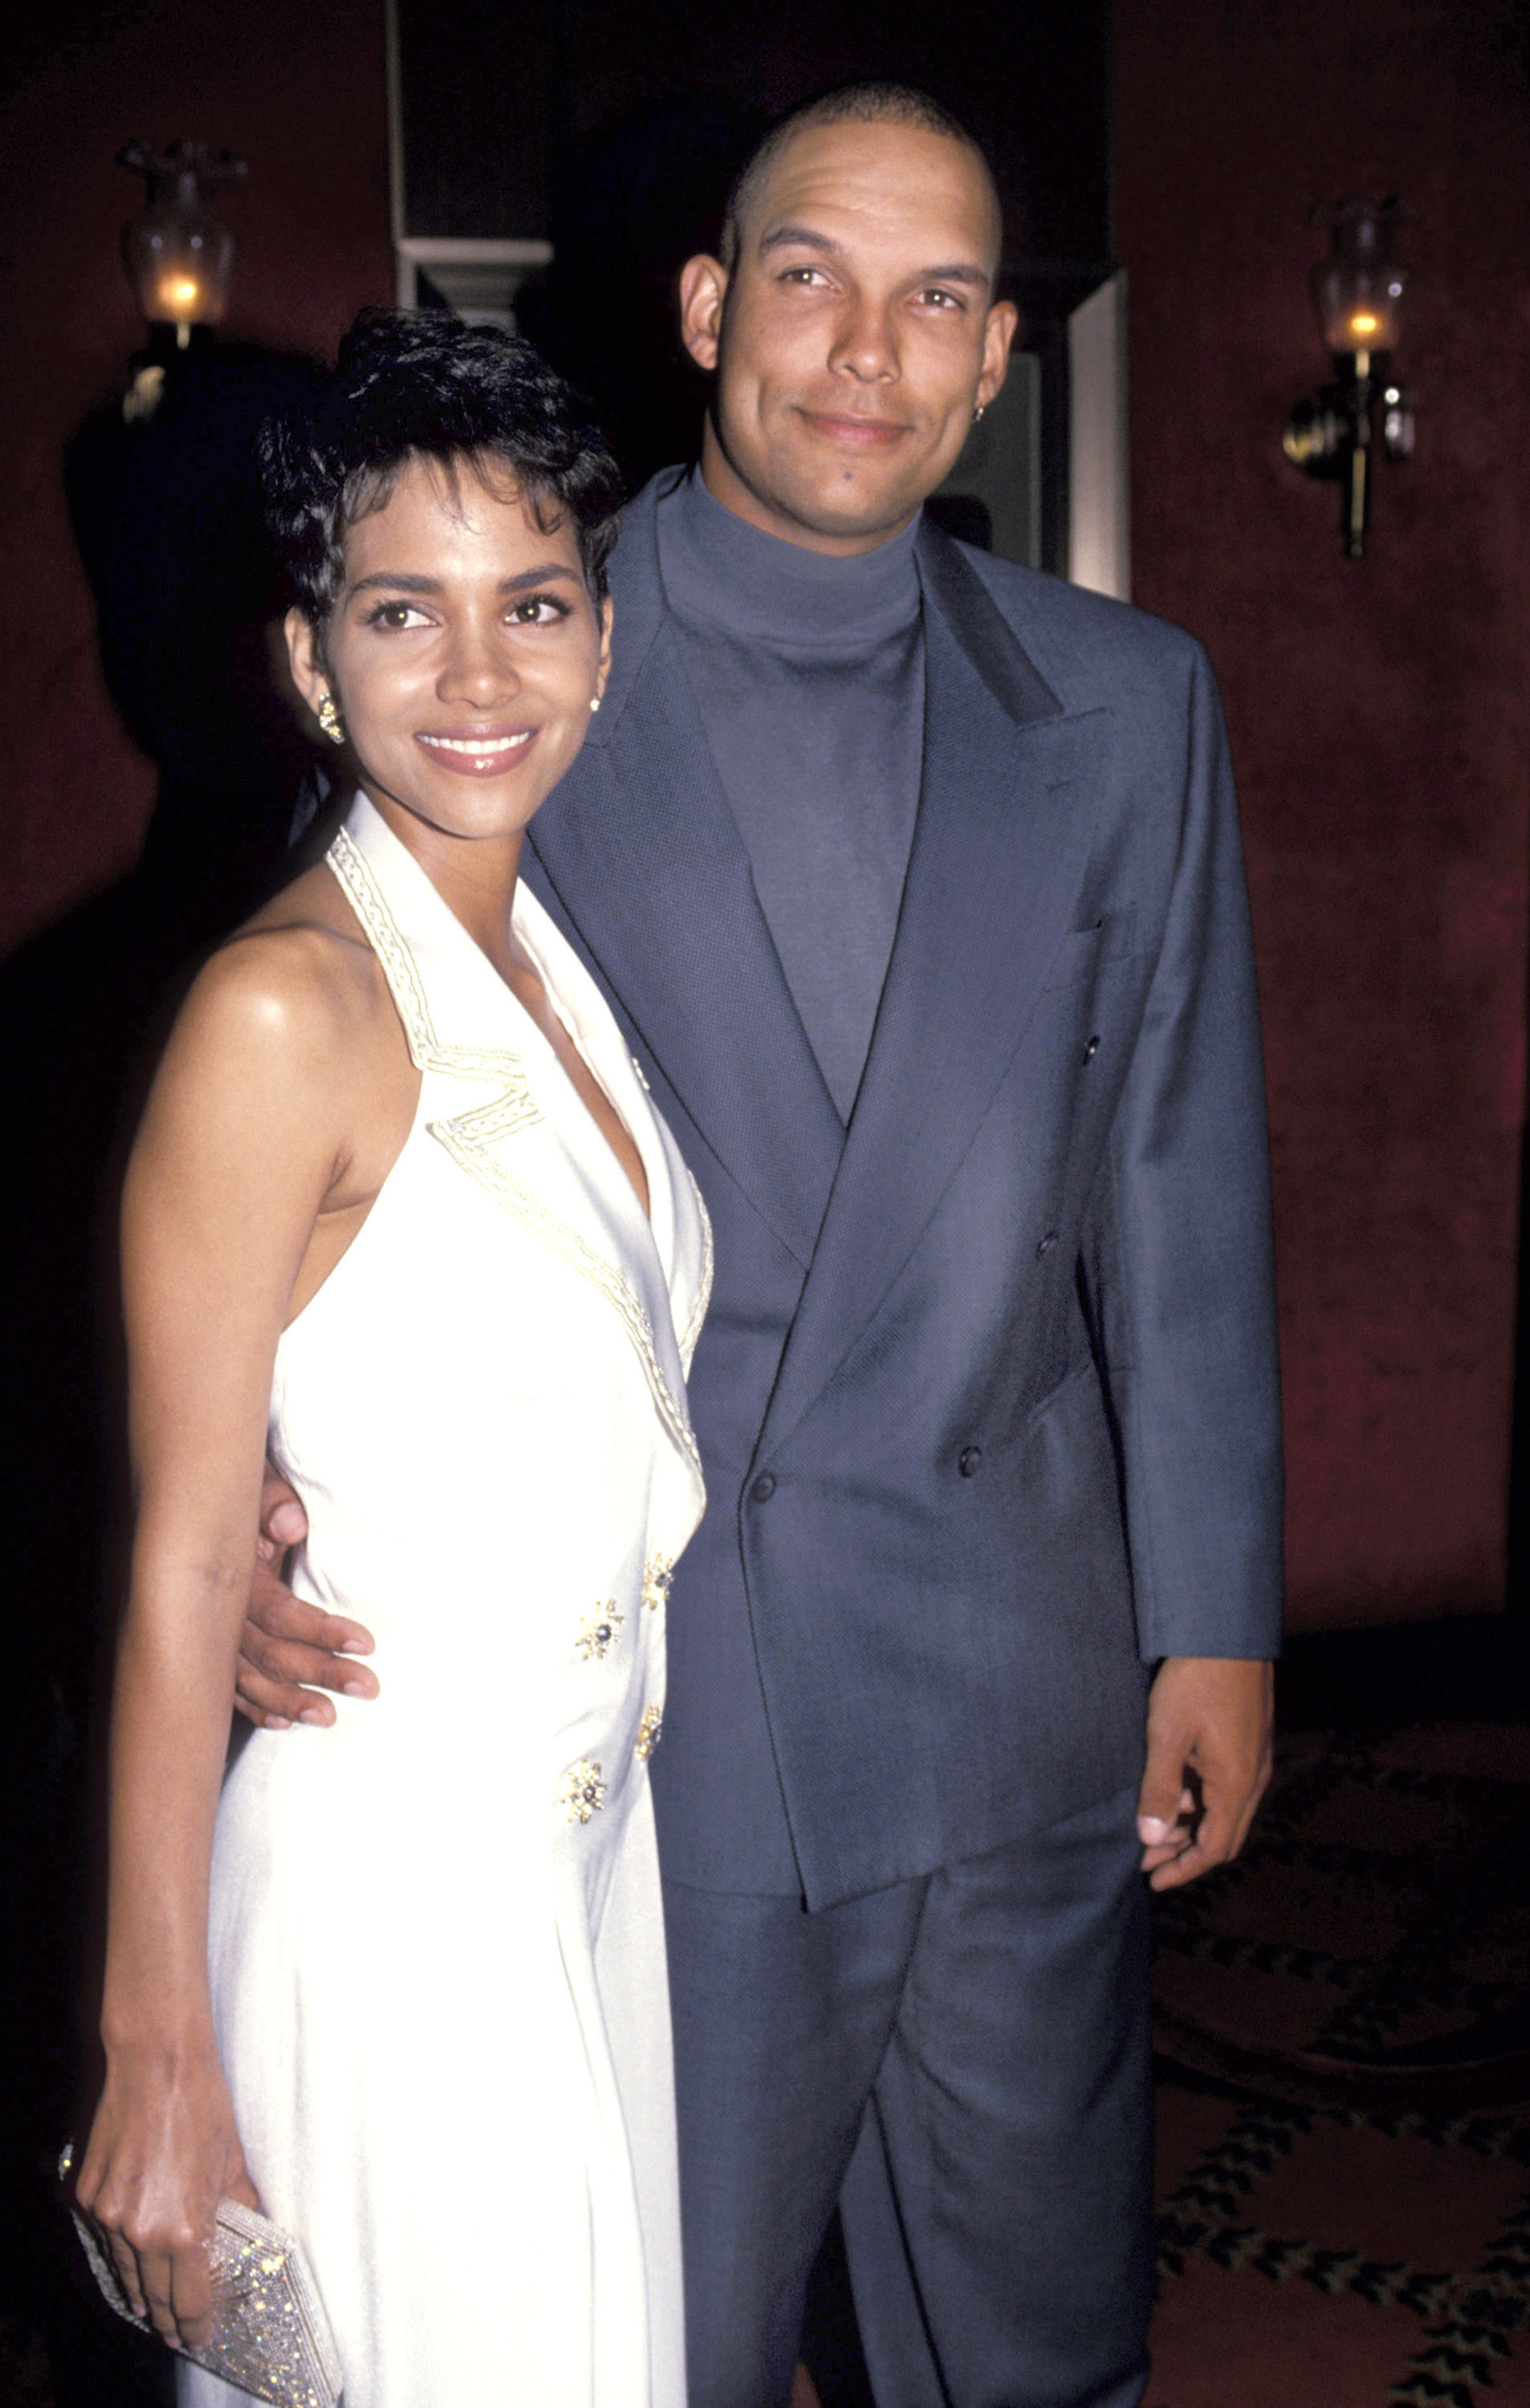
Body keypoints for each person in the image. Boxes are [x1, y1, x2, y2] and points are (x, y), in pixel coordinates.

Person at [238, 85, 1283, 2408]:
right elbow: (319, 1088)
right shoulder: (535, 660)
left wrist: (1213, 1619)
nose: (862, 353)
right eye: (809, 276)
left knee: (1039, 2344)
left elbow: (1177, 1185)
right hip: (663, 1694)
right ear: (709, 305)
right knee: (660, 2351)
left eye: (933, 302)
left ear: (997, 355)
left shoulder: (1124, 705)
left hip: (1029, 1680)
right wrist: (237, 1511)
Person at [72, 311, 711, 2408]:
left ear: (604, 642)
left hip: (571, 1870)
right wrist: (153, 2054)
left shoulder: (535, 960)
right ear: (304, 655)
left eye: (531, 605)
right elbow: (178, 1565)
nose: (475, 676)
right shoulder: (280, 1013)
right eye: (397, 612)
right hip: (388, 1917)